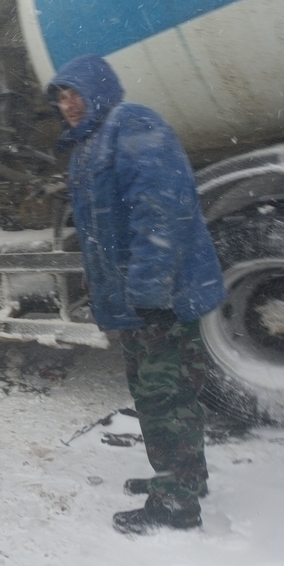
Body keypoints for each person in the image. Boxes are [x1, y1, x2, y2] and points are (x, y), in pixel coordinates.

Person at [46, 54, 226, 535]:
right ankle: (179, 478)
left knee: (167, 397)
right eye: (61, 97)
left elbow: (161, 214)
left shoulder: (132, 124)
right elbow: (99, 229)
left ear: (99, 89)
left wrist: (150, 291)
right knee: (151, 394)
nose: (68, 104)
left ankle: (179, 504)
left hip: (160, 298)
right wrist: (98, 280)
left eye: (75, 92)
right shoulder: (88, 145)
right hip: (134, 299)